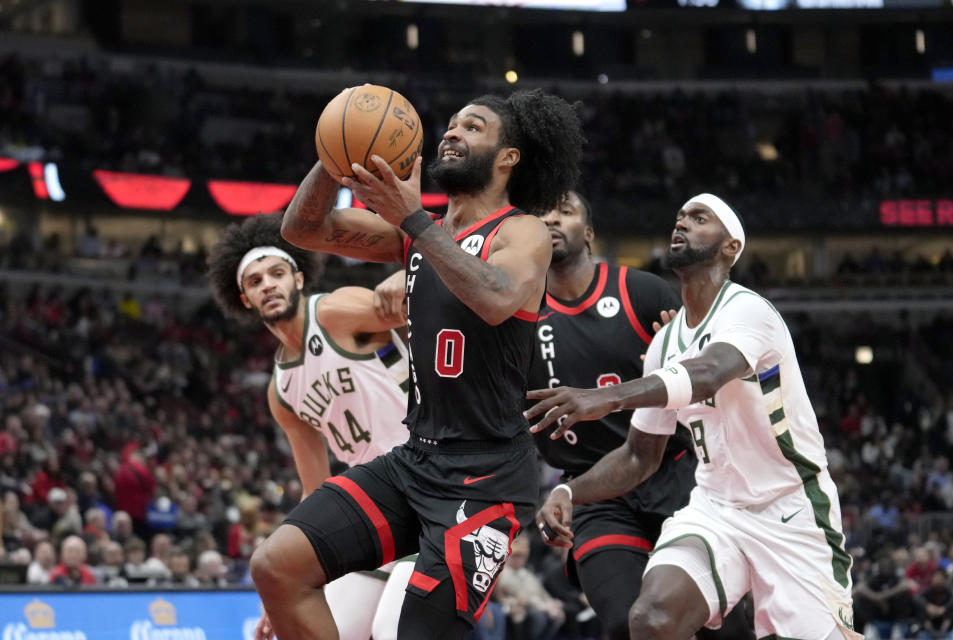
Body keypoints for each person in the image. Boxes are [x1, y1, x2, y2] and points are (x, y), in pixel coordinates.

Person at [252, 88, 583, 639]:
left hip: (486, 478)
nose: (451, 132)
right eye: (450, 124)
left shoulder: (519, 230)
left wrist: (412, 220)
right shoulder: (420, 234)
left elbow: (497, 296)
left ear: (508, 157)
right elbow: (302, 231)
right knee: (276, 567)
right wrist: (338, 150)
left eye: (473, 127)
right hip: (415, 460)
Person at [527, 193, 859, 640]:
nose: (681, 224)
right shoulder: (665, 343)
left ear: (730, 248)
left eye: (699, 218)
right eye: (680, 217)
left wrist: (604, 400)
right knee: (648, 620)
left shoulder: (748, 310)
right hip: (715, 507)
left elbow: (706, 373)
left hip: (791, 507)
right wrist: (569, 489)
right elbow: (638, 457)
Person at [207, 212, 414, 640]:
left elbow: (427, 309)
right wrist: (282, 591)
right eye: (255, 280)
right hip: (376, 503)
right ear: (244, 298)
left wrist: (409, 277)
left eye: (277, 273)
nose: (267, 284)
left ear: (298, 279)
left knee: (391, 629)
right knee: (309, 630)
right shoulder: (281, 389)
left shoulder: (335, 311)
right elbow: (315, 487)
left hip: (430, 480)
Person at [529, 190, 698, 639]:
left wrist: (678, 359)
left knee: (719, 625)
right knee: (627, 625)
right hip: (592, 490)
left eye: (564, 212)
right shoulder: (518, 317)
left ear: (587, 233)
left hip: (673, 472)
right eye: (542, 212)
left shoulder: (642, 292)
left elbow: (704, 380)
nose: (551, 219)